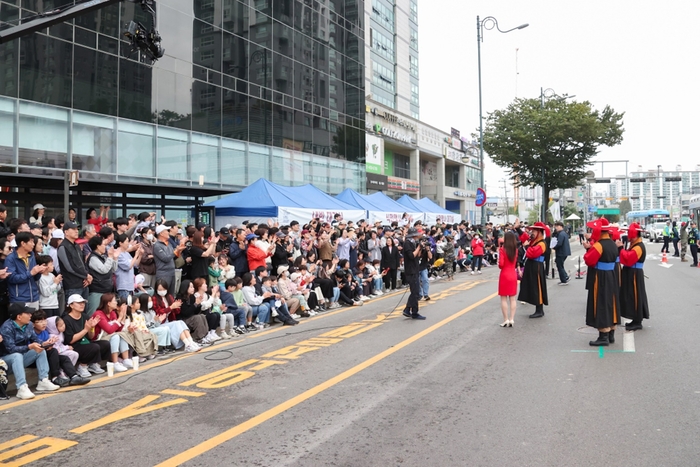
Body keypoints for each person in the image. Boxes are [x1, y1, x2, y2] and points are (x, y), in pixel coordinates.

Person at [0, 303, 60, 399]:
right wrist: (29, 347)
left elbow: (36, 340)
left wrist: (45, 343)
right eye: (27, 313)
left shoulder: (28, 325)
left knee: (40, 350)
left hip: (21, 357)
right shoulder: (6, 328)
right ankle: (21, 387)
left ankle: (43, 380)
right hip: (7, 361)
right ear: (19, 317)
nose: (30, 315)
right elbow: (10, 349)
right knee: (17, 355)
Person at [583, 219, 621, 346]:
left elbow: (589, 260)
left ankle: (603, 335)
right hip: (611, 275)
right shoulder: (612, 243)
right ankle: (611, 334)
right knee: (611, 303)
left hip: (601, 276)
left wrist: (588, 250)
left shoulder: (599, 245)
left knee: (602, 303)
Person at [61, 294, 111, 376]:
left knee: (105, 344)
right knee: (94, 347)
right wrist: (85, 330)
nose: (82, 304)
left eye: (83, 302)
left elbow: (91, 337)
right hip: (74, 346)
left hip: (86, 343)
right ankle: (82, 366)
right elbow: (71, 340)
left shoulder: (85, 316)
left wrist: (92, 327)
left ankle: (92, 363)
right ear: (71, 305)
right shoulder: (66, 319)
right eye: (79, 303)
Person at [91, 293, 134, 372]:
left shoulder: (112, 313)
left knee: (121, 335)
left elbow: (117, 330)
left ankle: (126, 359)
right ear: (109, 303)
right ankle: (115, 363)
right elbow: (109, 330)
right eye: (114, 301)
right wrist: (120, 318)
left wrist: (123, 317)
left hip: (107, 337)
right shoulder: (99, 314)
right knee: (116, 336)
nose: (116, 303)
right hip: (97, 339)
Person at [618, 223, 649, 332]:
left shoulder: (639, 246)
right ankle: (635, 319)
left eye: (631, 235)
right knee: (631, 295)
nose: (629, 238)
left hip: (635, 273)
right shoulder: (635, 244)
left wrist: (621, 249)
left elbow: (629, 259)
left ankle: (637, 320)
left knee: (635, 296)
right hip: (631, 272)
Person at [517, 222, 549, 319]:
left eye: (534, 231)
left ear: (539, 232)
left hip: (537, 267)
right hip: (532, 265)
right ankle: (538, 309)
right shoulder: (534, 241)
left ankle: (539, 310)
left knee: (537, 287)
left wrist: (527, 247)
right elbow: (524, 237)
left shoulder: (542, 243)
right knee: (533, 287)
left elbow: (533, 253)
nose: (532, 232)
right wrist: (518, 229)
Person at [5, 231, 46, 308]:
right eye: (31, 242)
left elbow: (35, 278)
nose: (33, 244)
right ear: (23, 243)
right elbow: (12, 278)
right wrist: (30, 273)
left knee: (35, 320)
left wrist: (39, 272)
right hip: (19, 299)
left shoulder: (31, 256)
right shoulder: (10, 258)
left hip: (34, 297)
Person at [57, 221, 92, 300]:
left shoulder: (76, 245)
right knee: (73, 310)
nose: (76, 231)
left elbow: (82, 263)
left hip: (83, 283)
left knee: (84, 311)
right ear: (66, 232)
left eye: (77, 229)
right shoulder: (63, 247)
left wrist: (87, 276)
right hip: (72, 286)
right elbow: (70, 267)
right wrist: (86, 275)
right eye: (73, 229)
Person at [401, 228, 426, 320]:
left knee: (416, 292)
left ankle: (409, 309)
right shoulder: (407, 243)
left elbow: (418, 255)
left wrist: (420, 248)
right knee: (415, 292)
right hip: (410, 271)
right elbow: (411, 255)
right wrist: (418, 247)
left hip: (415, 269)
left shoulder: (413, 243)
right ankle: (412, 311)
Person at [498, 231, 518, 327]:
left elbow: (501, 264)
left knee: (503, 298)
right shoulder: (515, 250)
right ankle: (512, 319)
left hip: (504, 274)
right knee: (512, 298)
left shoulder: (502, 249)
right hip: (513, 274)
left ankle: (505, 319)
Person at [553, 221, 571, 285]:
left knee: (559, 266)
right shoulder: (563, 233)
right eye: (556, 227)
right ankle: (565, 277)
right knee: (560, 265)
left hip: (561, 252)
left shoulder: (561, 234)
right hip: (564, 252)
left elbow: (559, 243)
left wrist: (554, 247)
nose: (556, 228)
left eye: (557, 226)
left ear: (561, 226)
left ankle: (564, 280)